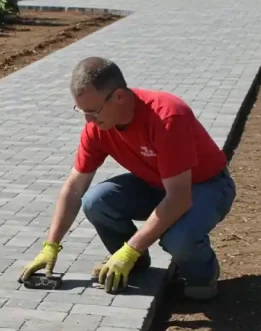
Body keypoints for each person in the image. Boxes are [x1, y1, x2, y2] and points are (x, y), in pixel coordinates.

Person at [18, 57, 237, 300]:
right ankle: (133, 264)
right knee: (95, 201)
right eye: (82, 111)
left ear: (119, 96)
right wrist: (50, 246)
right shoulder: (97, 127)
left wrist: (130, 249)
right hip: (156, 184)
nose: (88, 120)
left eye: (93, 111)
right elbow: (74, 188)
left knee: (178, 238)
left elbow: (179, 199)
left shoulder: (168, 117)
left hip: (206, 186)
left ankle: (202, 273)